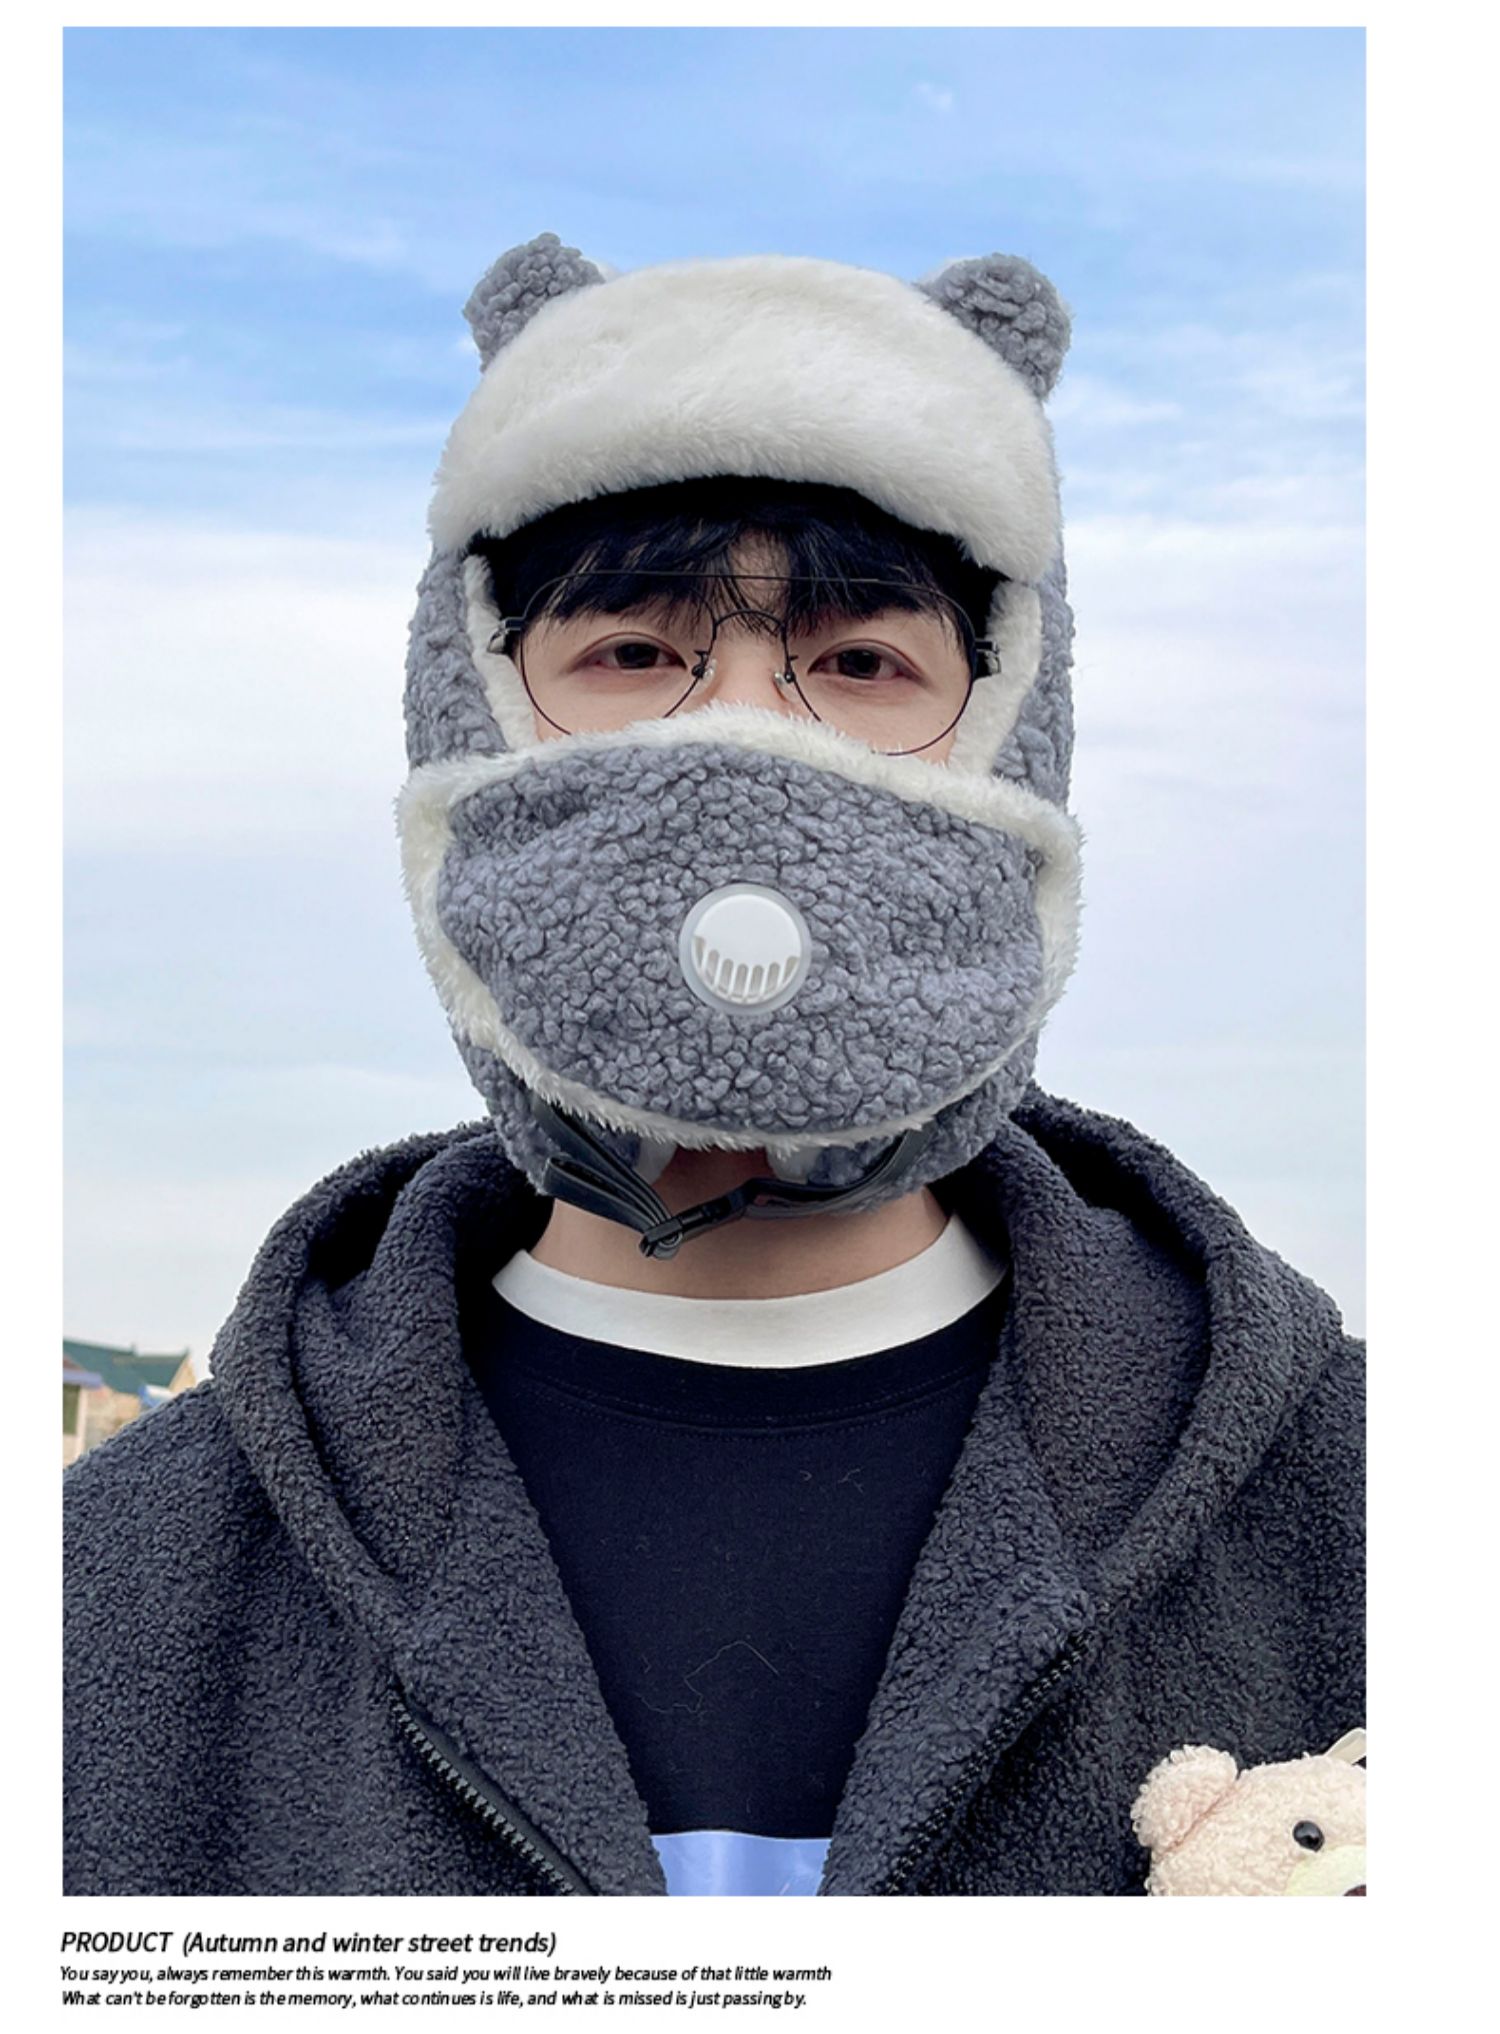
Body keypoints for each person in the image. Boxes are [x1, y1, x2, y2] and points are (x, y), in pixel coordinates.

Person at [64, 233, 1364, 1898]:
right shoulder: (120, 1584)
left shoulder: (1367, 1502)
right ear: (468, 712)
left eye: (860, 664)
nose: (743, 736)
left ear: (1015, 738)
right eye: (631, 653)